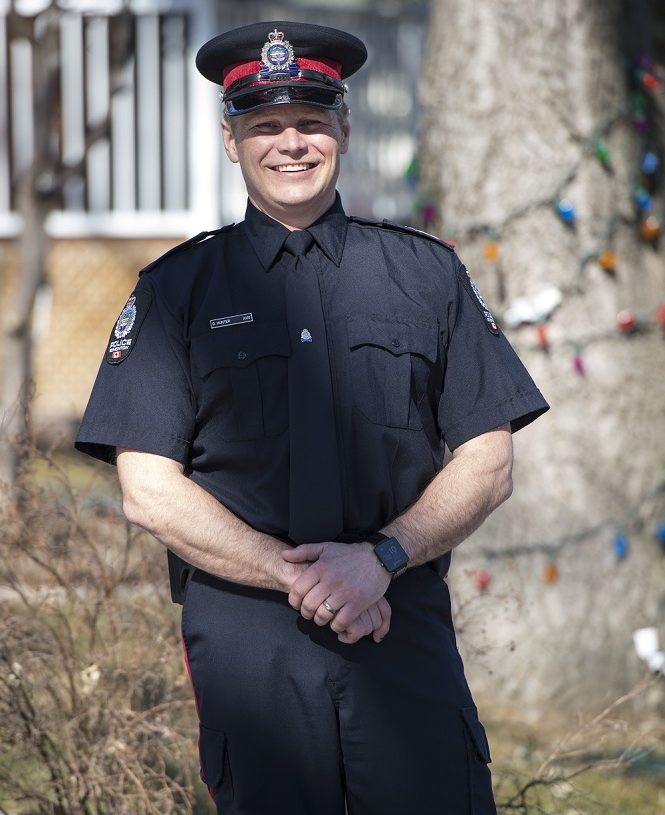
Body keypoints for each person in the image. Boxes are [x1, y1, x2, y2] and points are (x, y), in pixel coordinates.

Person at [76, 19, 549, 815]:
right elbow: (147, 487)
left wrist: (380, 558)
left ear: (344, 129)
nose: (289, 144)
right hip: (248, 640)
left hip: (399, 622)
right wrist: (295, 573)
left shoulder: (425, 274)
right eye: (264, 125)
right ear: (232, 142)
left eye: (309, 121)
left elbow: (487, 456)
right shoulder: (175, 289)